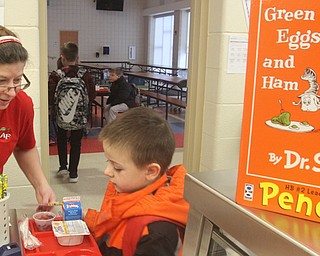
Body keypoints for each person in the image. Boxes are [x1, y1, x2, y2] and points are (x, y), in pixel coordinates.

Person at [84, 107, 189, 256]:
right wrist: (84, 217)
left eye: (117, 167)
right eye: (109, 162)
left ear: (151, 171)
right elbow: (114, 222)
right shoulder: (130, 191)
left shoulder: (156, 233)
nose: (107, 172)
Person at [0, 26, 56, 204]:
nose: (11, 92)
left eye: (17, 80)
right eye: (1, 81)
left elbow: (24, 146)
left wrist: (41, 185)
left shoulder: (21, 105)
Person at [48, 42, 96, 183]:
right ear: (78, 58)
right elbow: (91, 95)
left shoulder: (56, 75)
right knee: (76, 143)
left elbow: (51, 96)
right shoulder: (85, 75)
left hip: (61, 115)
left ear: (62, 58)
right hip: (79, 116)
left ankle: (63, 166)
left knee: (61, 139)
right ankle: (73, 173)